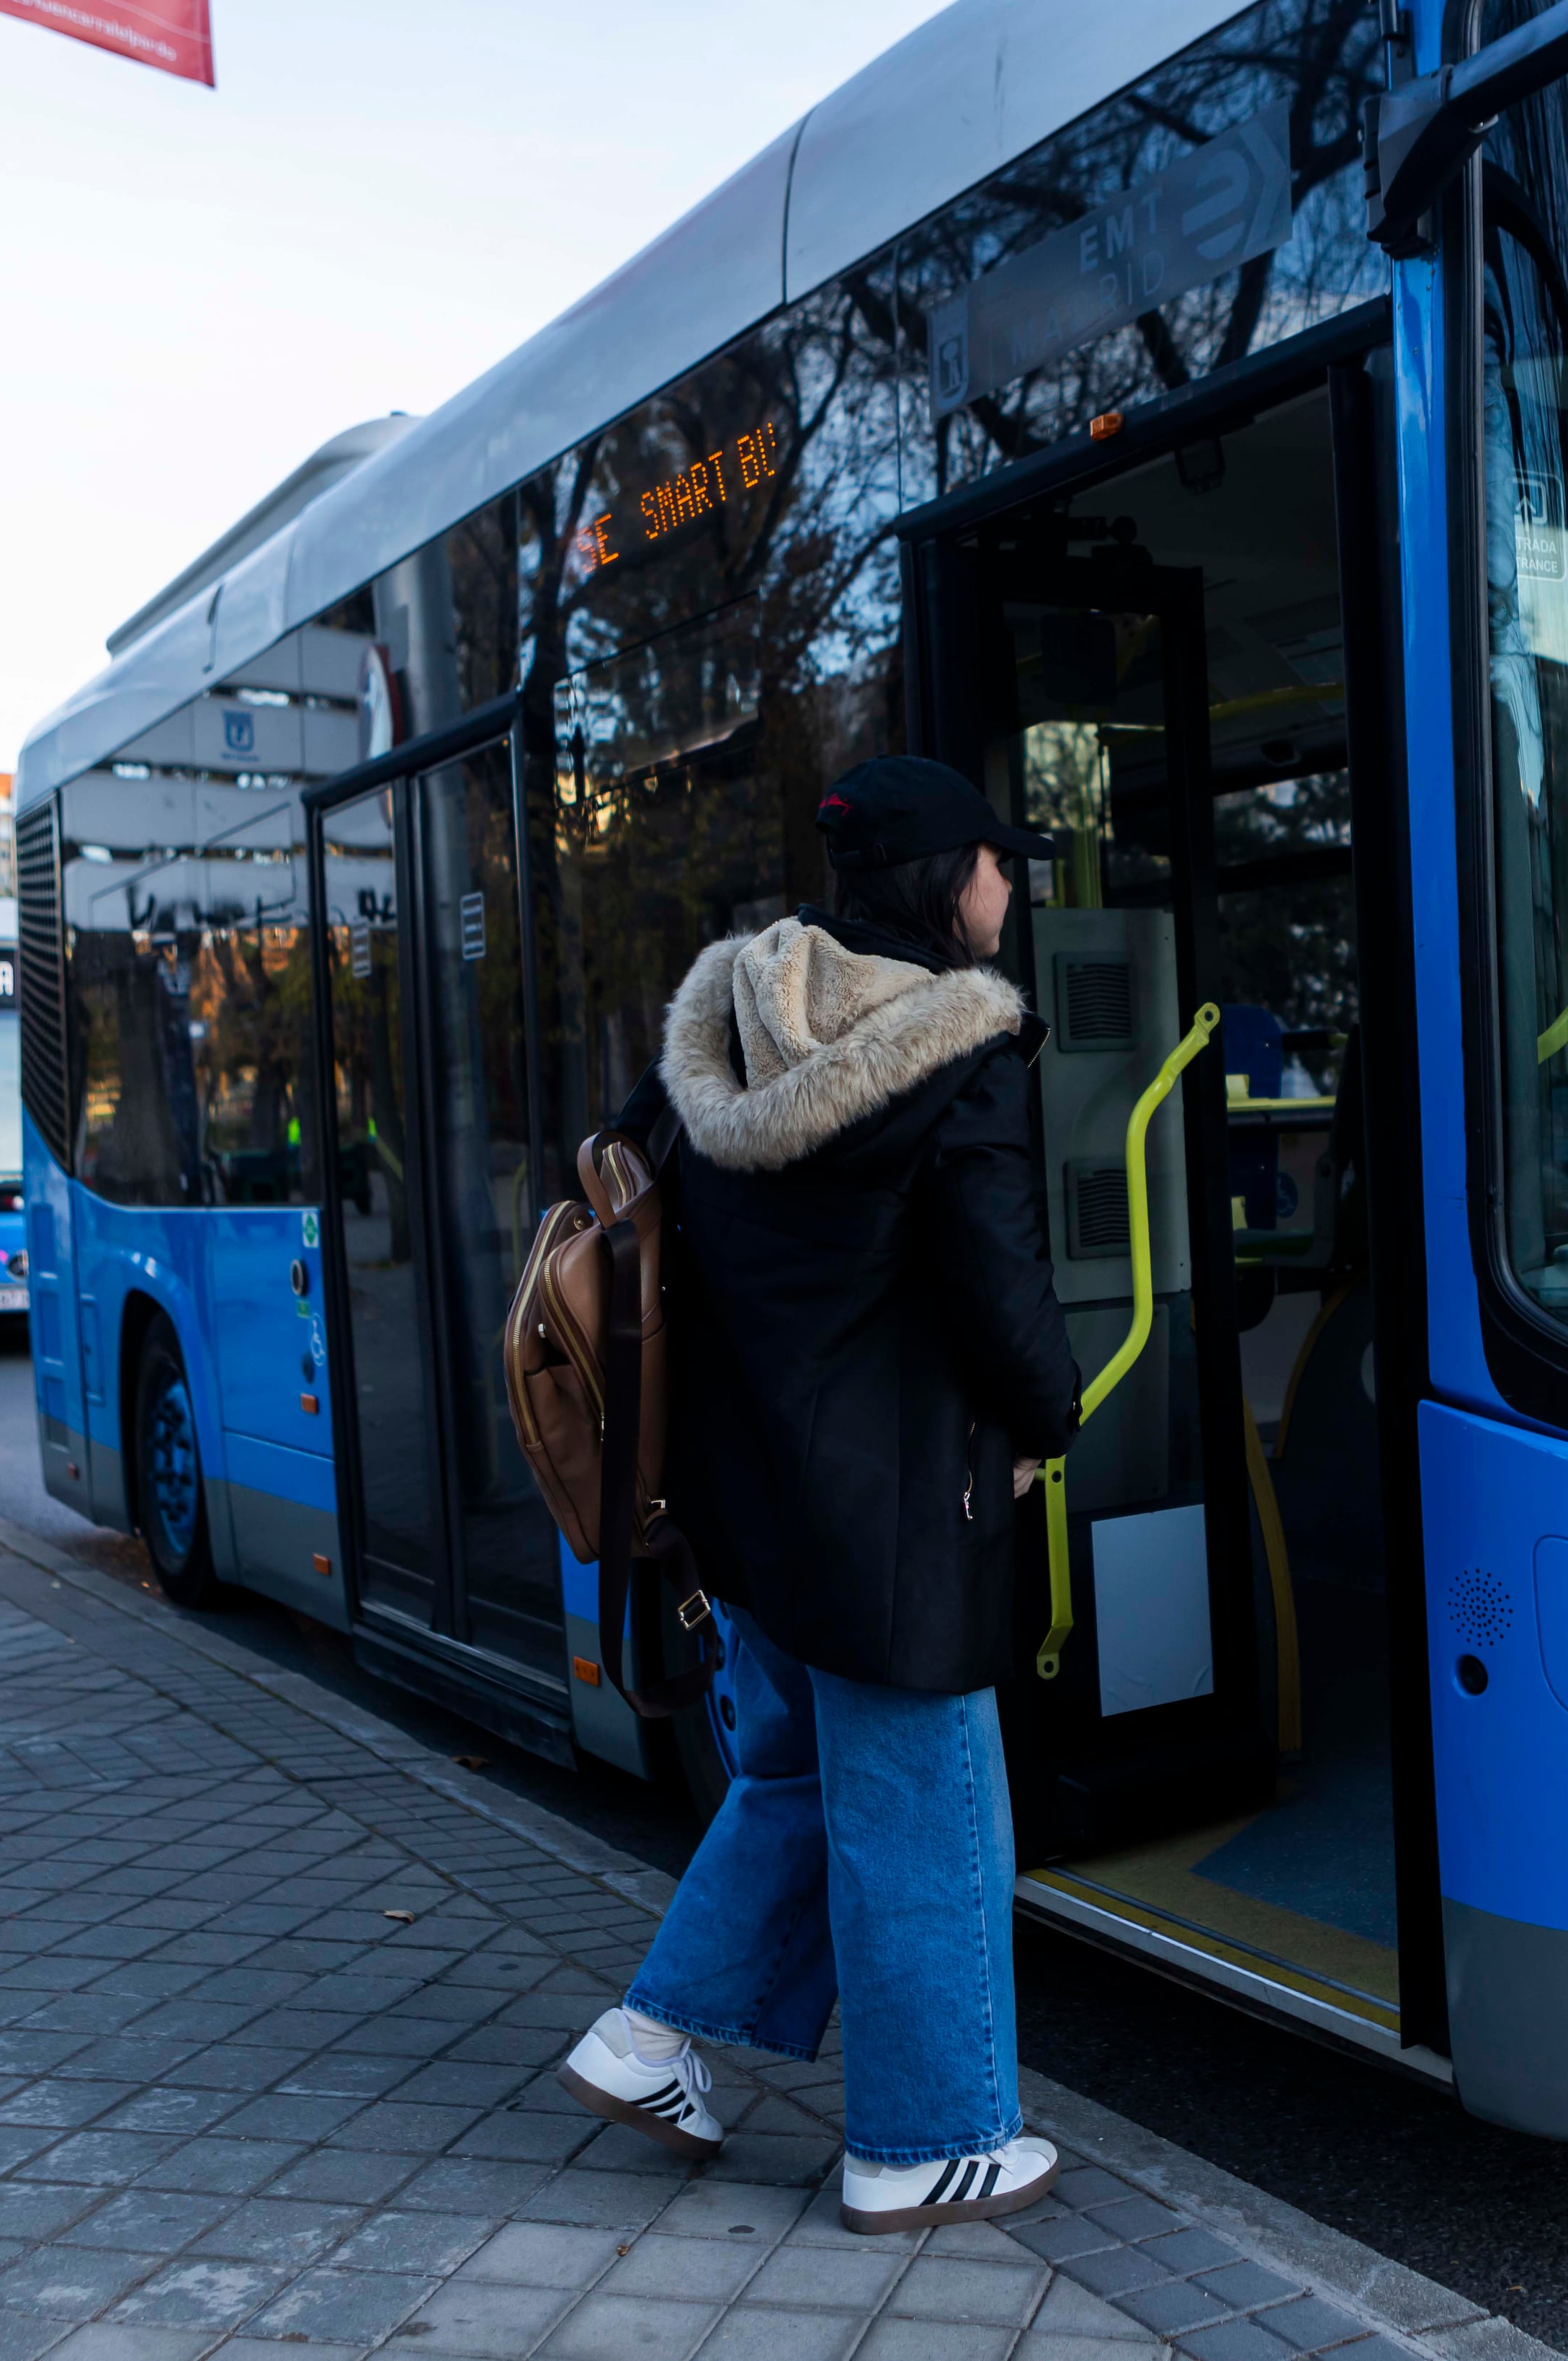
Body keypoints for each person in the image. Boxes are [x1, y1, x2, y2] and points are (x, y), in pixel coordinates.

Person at [552, 754, 1085, 2233]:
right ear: (943, 880)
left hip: (747, 1509)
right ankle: (928, 2134)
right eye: (996, 860)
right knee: (926, 1813)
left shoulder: (723, 1020)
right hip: (899, 1516)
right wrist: (1059, 1409)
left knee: (794, 1779)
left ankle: (648, 2037)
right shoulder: (959, 1052)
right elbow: (999, 1289)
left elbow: (618, 1183)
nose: (1009, 886)